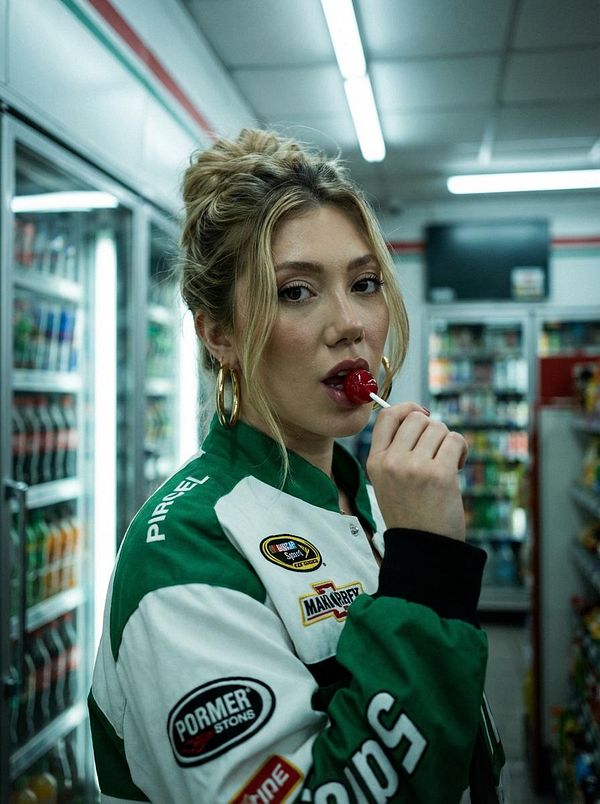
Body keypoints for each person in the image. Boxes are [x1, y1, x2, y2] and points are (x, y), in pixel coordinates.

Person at [88, 129, 505, 803]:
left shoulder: (357, 495)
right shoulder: (190, 550)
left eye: (364, 283)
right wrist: (427, 569)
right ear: (218, 334)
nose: (351, 324)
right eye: (295, 292)